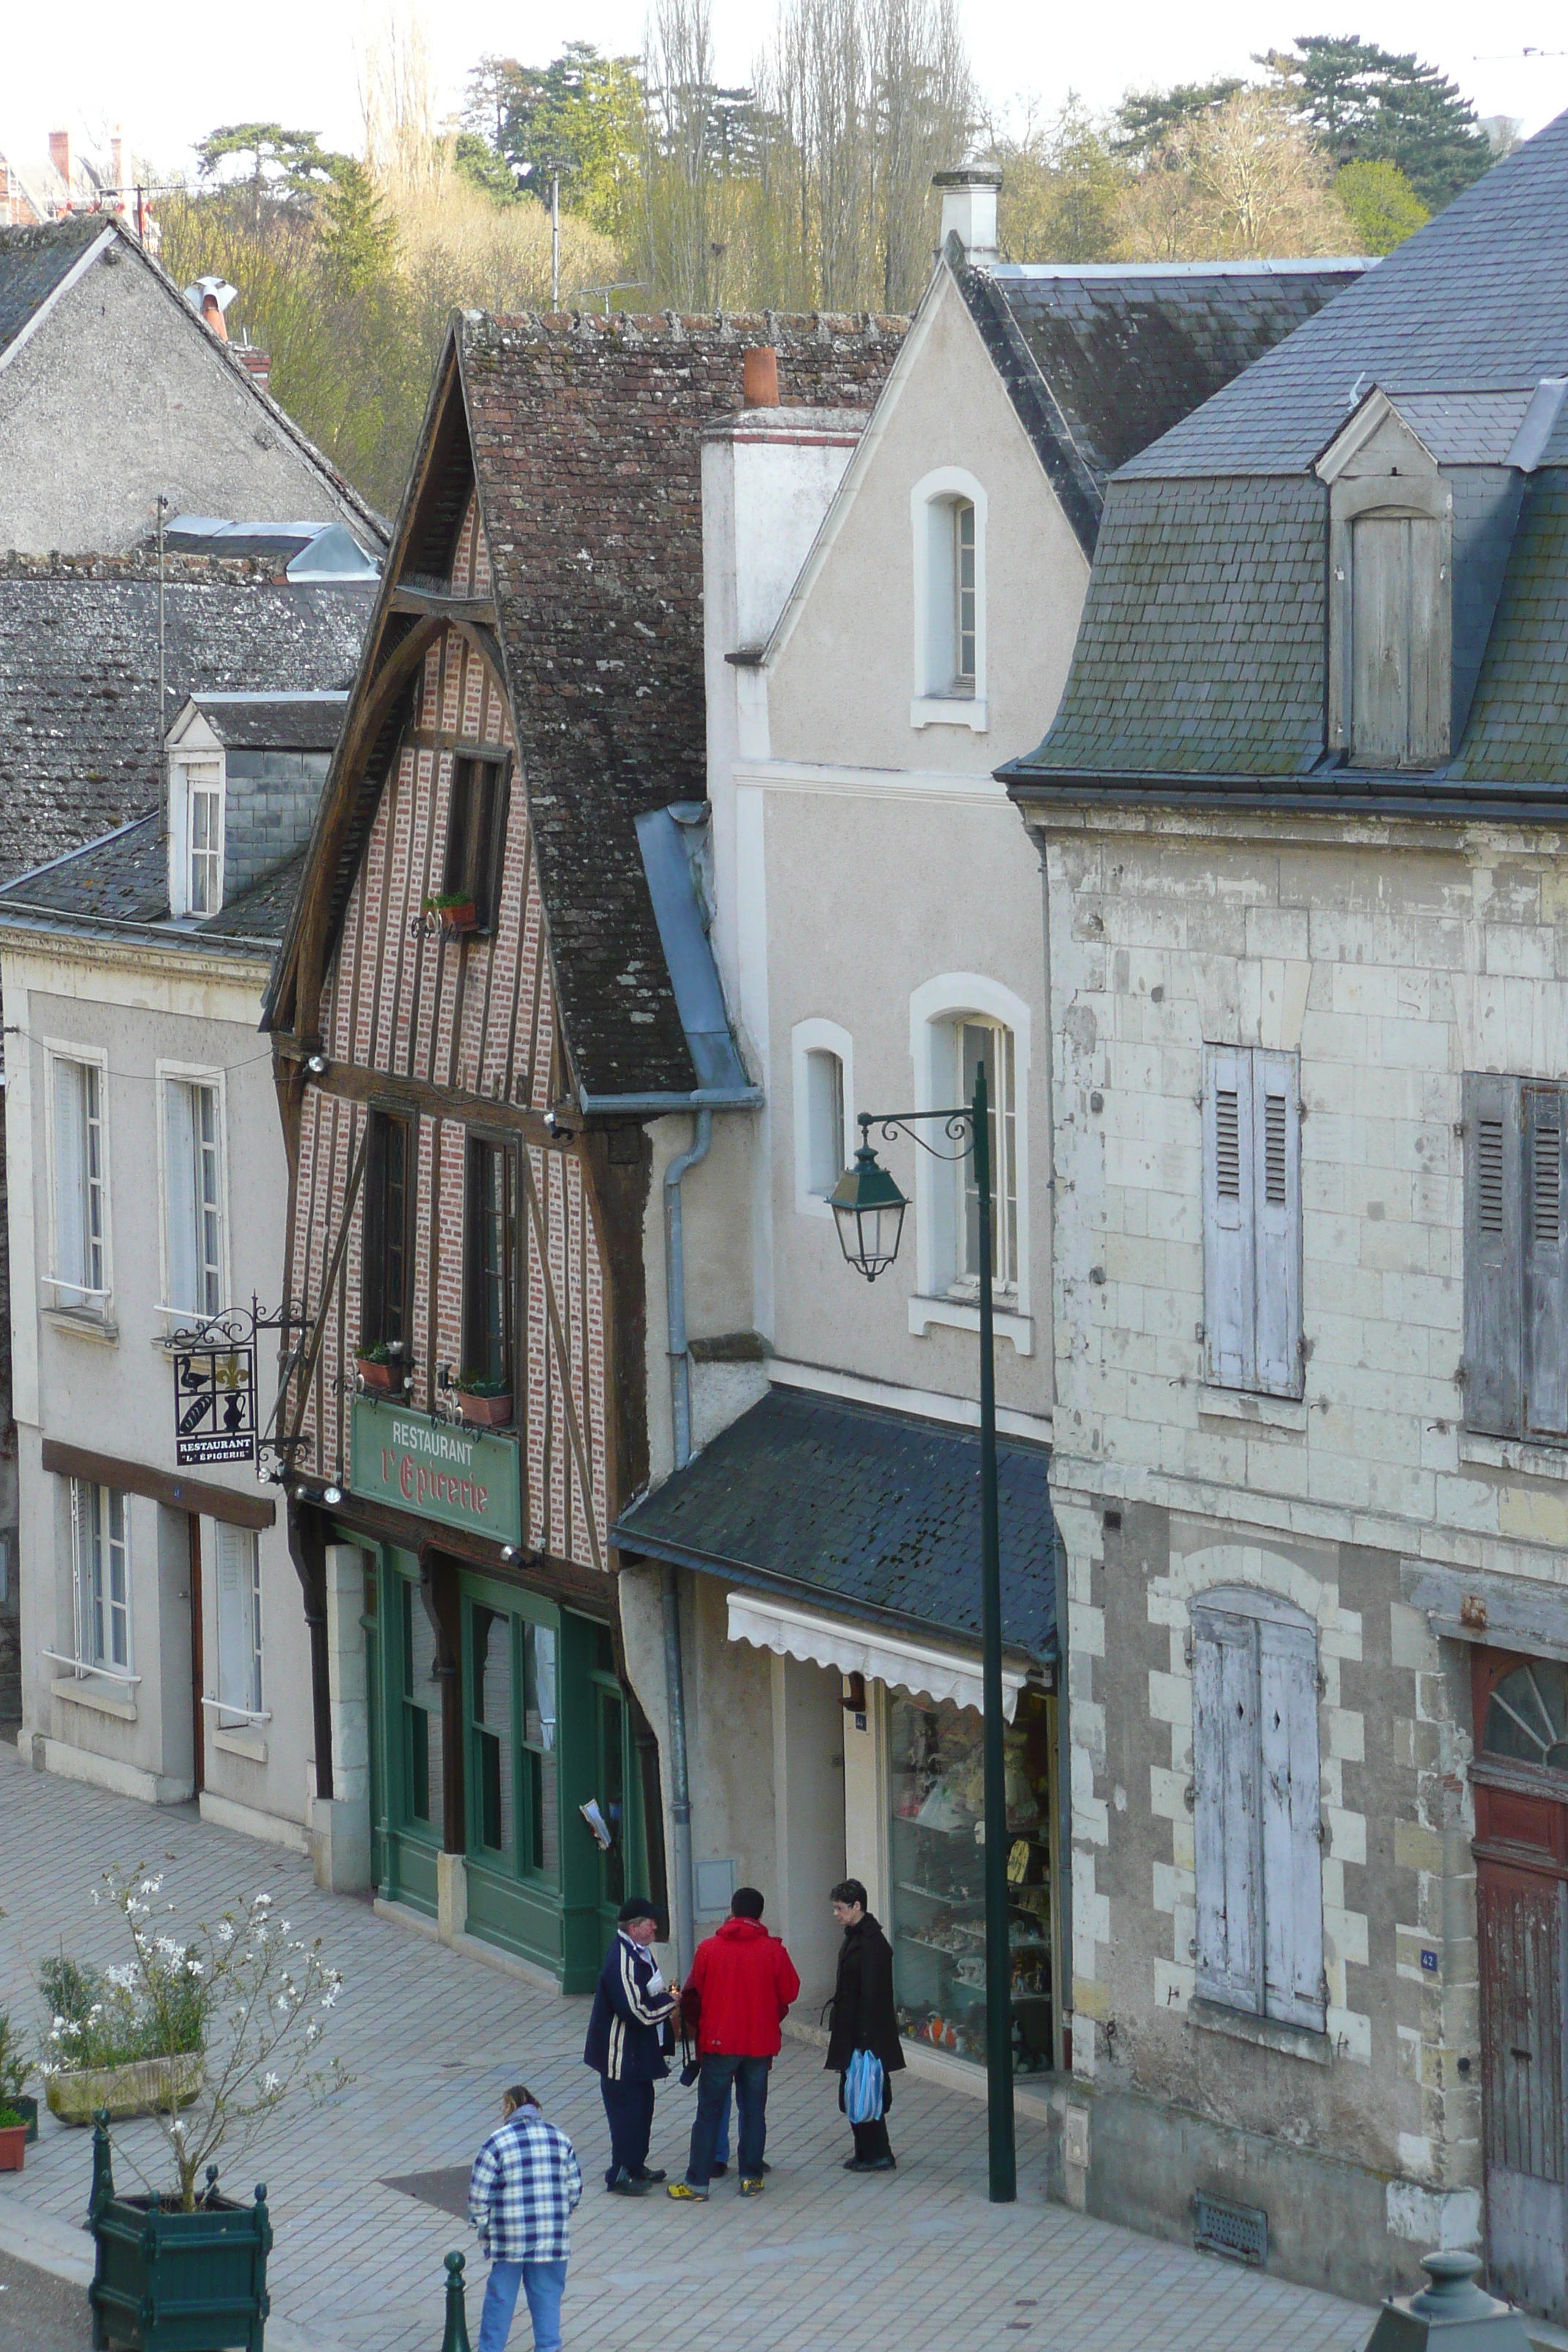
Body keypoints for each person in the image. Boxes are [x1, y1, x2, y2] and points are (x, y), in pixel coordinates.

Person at [668, 1886, 800, 2202]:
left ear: (732, 1910)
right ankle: (750, 2177)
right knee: (754, 2111)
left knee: (709, 2113)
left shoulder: (708, 1949)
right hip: (759, 2044)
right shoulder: (774, 1951)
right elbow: (791, 1992)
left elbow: (694, 1992)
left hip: (718, 2042)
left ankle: (698, 2184)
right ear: (760, 1915)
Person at [467, 2084, 583, 2352]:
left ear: (509, 2108)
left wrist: (484, 2224)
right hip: (551, 2239)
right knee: (547, 2300)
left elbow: (478, 2196)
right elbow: (574, 2190)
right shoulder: (559, 2138)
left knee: (500, 2300)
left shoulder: (497, 2142)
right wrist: (556, 2215)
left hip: (510, 2239)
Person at [583, 1896, 680, 2194]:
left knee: (643, 2110)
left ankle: (636, 2165)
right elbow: (635, 2010)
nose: (655, 1928)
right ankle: (620, 2173)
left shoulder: (641, 1952)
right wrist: (670, 2003)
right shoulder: (622, 1961)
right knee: (626, 2115)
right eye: (650, 1923)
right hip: (620, 2056)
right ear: (634, 1927)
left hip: (639, 2052)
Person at [826, 1877, 904, 2172]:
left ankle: (877, 2153)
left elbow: (874, 1994)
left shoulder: (871, 1944)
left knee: (866, 2092)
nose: (836, 1914)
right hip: (856, 2029)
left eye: (840, 1908)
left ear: (857, 1906)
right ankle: (866, 2152)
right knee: (856, 2092)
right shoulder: (858, 1936)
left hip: (865, 2033)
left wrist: (865, 2038)